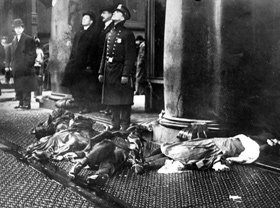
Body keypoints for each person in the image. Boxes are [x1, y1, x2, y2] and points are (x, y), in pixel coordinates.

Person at [98, 4, 137, 131]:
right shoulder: (109, 33)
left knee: (124, 100)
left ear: (123, 17)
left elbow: (130, 57)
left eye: (117, 12)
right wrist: (101, 72)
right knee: (112, 99)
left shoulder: (128, 34)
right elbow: (104, 55)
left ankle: (125, 125)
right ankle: (115, 124)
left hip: (121, 71)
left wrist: (126, 74)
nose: (114, 13)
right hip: (110, 71)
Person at [143, 134, 260, 173]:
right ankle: (145, 163)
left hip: (215, 143)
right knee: (183, 154)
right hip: (216, 146)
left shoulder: (244, 140)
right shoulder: (253, 148)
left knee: (179, 150)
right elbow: (242, 158)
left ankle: (145, 162)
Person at [61, 11, 100, 114]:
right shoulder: (79, 33)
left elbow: (93, 51)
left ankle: (86, 107)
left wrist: (89, 65)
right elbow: (74, 50)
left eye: (86, 18)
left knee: (85, 87)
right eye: (83, 18)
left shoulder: (94, 34)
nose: (83, 19)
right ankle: (80, 104)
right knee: (72, 84)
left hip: (85, 65)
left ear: (91, 21)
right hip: (75, 64)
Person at [6, 19, 37, 109]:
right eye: (16, 28)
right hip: (17, 68)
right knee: (19, 85)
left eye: (20, 28)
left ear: (23, 28)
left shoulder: (28, 39)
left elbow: (32, 53)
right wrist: (12, 66)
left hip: (26, 68)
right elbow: (13, 55)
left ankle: (26, 103)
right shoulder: (14, 41)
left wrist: (27, 64)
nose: (18, 29)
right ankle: (21, 102)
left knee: (26, 86)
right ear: (14, 29)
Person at [98, 6, 114, 116]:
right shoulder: (104, 28)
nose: (102, 15)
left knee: (109, 84)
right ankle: (107, 106)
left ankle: (110, 107)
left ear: (111, 14)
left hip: (110, 61)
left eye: (104, 13)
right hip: (102, 60)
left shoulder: (113, 28)